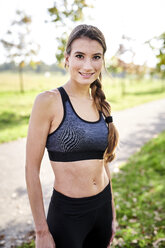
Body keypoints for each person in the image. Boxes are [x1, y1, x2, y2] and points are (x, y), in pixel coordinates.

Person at [25, 24, 119, 248]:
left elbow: (103, 163)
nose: (88, 65)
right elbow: (31, 169)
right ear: (67, 58)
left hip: (102, 208)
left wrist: (113, 214)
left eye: (96, 57)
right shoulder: (48, 101)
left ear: (102, 61)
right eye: (80, 56)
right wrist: (41, 231)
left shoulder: (101, 104)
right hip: (68, 216)